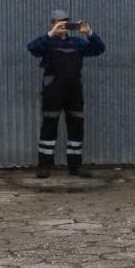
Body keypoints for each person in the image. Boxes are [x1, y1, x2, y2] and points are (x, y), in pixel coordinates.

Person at [27, 10, 105, 178]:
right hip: (53, 91)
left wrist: (89, 33)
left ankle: (75, 167)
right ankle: (44, 166)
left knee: (76, 127)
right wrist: (50, 34)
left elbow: (99, 49)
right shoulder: (47, 42)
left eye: (65, 22)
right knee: (49, 127)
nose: (63, 25)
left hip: (74, 91)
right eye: (59, 22)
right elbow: (32, 48)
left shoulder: (77, 43)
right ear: (52, 23)